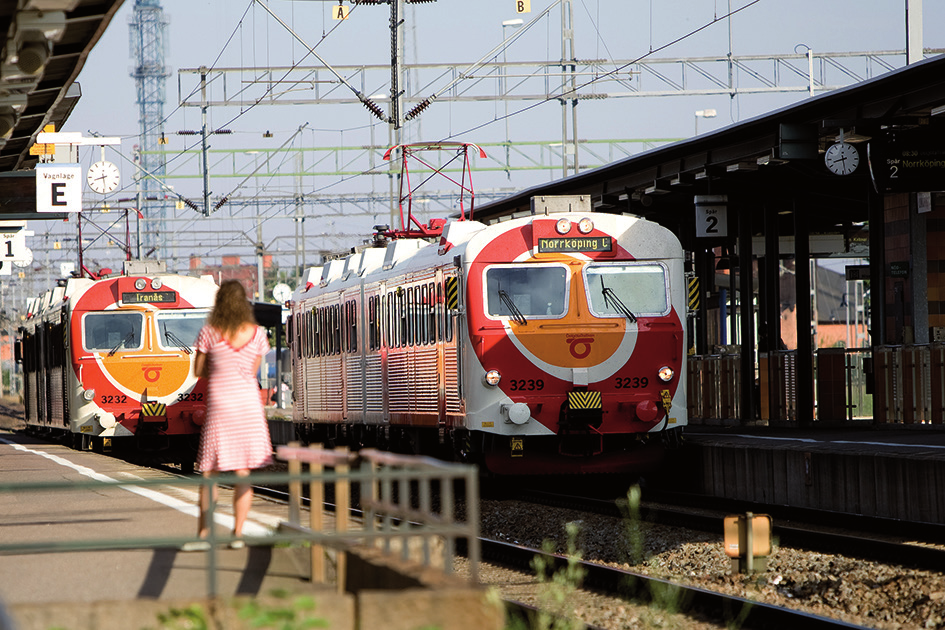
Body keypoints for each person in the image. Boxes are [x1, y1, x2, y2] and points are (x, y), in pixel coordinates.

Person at [187, 280, 273, 550]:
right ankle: (237, 534)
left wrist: (216, 365)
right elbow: (251, 371)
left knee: (210, 473)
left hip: (220, 404)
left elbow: (198, 370)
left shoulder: (209, 333)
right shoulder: (258, 334)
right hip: (248, 405)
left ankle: (203, 535)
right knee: (243, 472)